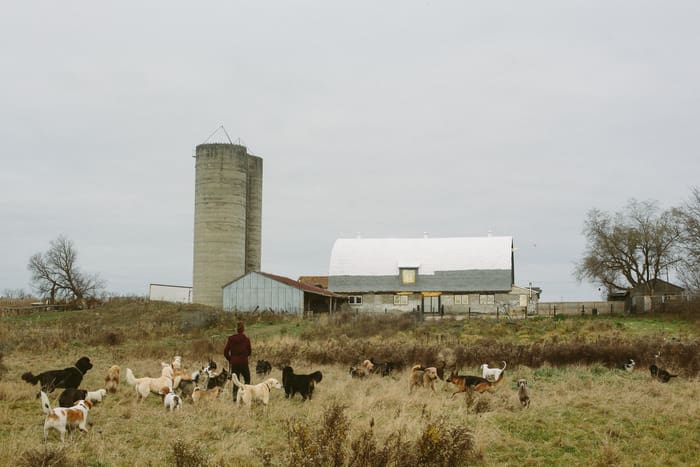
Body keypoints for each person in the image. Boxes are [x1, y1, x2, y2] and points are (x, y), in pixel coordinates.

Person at [223, 320, 251, 401]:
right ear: (243, 329)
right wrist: (244, 356)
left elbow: (225, 352)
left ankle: (235, 398)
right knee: (247, 379)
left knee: (235, 381)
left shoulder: (231, 339)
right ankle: (246, 396)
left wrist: (231, 359)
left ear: (236, 329)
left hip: (234, 363)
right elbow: (249, 352)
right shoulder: (246, 339)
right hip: (244, 362)